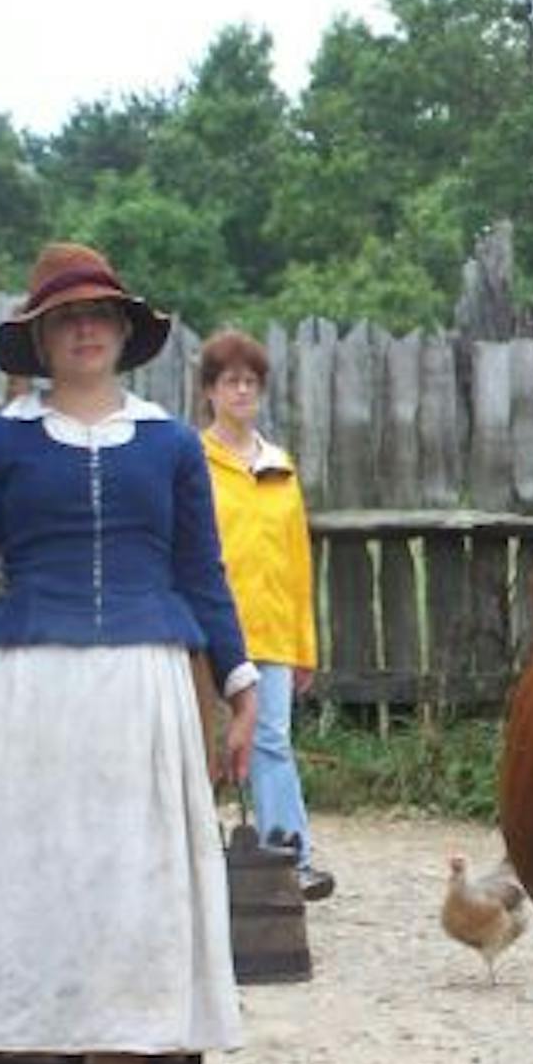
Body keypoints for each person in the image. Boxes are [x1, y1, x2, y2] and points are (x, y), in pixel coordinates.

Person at [0, 241, 258, 1064]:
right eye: (66, 319)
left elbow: (200, 573)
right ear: (42, 340)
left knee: (127, 900)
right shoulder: (1, 442)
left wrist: (238, 683)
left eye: (98, 316)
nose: (85, 331)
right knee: (29, 890)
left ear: (124, 335)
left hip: (142, 689)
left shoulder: (171, 445)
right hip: (24, 689)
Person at [199, 329, 334, 901]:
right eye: (231, 381)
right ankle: (194, 865)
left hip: (274, 631)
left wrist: (306, 646)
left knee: (272, 742)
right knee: (205, 748)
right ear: (209, 391)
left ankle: (291, 858)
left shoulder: (280, 467)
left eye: (251, 382)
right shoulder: (192, 461)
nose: (241, 391)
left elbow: (298, 560)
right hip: (210, 632)